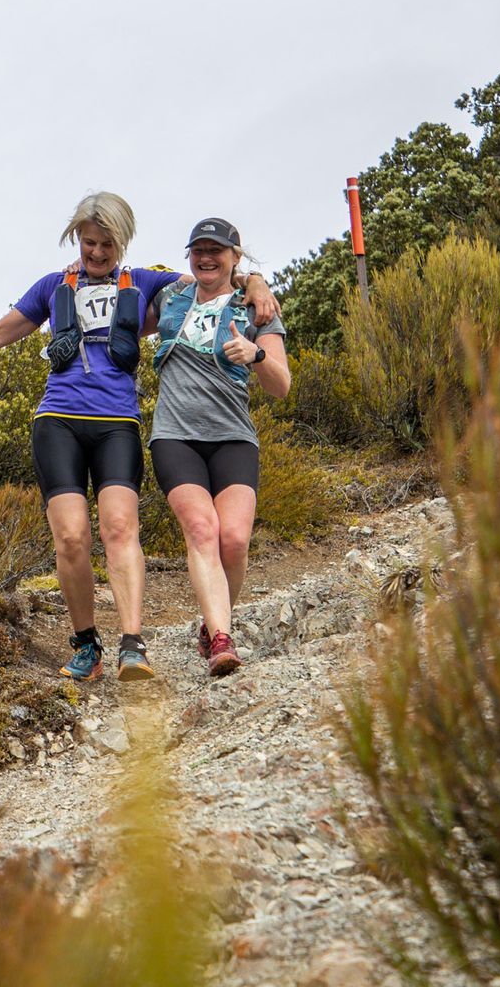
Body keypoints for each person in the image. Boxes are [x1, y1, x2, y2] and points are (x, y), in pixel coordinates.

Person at [0, 193, 279, 682]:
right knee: (71, 538)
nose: (97, 252)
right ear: (76, 239)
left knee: (119, 529)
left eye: (107, 243)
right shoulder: (52, 286)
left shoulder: (150, 284)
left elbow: (213, 282)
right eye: (89, 242)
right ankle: (87, 644)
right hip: (58, 421)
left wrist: (255, 281)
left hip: (118, 424)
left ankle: (133, 645)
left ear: (122, 243)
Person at [148, 217, 291, 677]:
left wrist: (258, 354)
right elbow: (117, 282)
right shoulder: (172, 296)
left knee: (234, 540)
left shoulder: (258, 310)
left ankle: (213, 626)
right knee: (202, 530)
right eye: (198, 250)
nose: (206, 258)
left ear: (235, 256)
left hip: (233, 436)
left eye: (217, 250)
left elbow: (282, 386)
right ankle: (222, 641)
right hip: (175, 434)